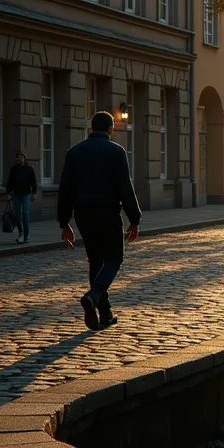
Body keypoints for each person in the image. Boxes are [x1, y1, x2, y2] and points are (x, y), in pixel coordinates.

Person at [58, 111, 141, 331]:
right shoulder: (116, 151)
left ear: (91, 128)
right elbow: (125, 187)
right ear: (111, 129)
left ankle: (105, 313)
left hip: (83, 214)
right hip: (108, 212)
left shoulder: (74, 152)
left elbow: (65, 189)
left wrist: (64, 222)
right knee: (114, 258)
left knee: (95, 259)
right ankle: (93, 296)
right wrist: (134, 219)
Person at [5, 152, 39, 243]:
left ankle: (26, 234)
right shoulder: (13, 169)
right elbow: (10, 182)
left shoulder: (29, 169)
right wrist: (8, 193)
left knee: (25, 213)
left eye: (21, 157)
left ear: (24, 159)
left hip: (26, 193)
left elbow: (33, 181)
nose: (19, 159)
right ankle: (20, 232)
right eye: (18, 157)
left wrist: (34, 193)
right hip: (16, 194)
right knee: (16, 214)